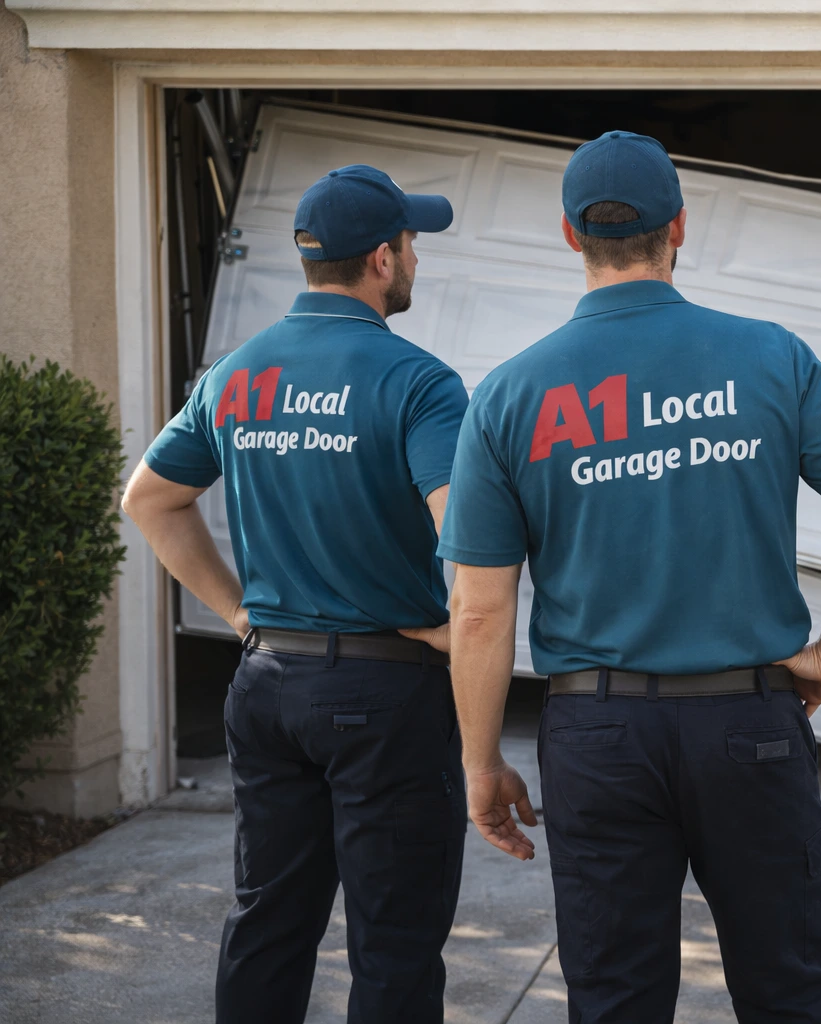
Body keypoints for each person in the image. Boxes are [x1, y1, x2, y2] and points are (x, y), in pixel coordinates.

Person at [438, 130, 821, 1023]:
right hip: (751, 721)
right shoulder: (771, 356)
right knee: (788, 989)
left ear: (572, 237)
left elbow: (477, 608)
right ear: (680, 229)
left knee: (615, 997)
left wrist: (478, 762)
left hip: (597, 733)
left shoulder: (510, 393)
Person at [121, 164, 483, 1024]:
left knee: (268, 919)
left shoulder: (236, 375)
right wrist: (456, 632)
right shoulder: (420, 383)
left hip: (268, 686)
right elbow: (469, 541)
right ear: (383, 261)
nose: (416, 259)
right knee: (393, 941)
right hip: (384, 692)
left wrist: (241, 612)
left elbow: (148, 498)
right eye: (411, 243)